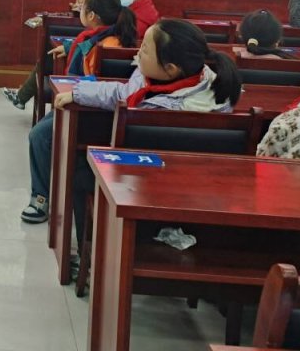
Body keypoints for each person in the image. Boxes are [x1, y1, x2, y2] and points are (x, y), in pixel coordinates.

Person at [60, 19, 243, 253]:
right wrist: (80, 93)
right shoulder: (208, 83)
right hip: (202, 193)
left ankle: (93, 253)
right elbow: (124, 93)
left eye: (145, 49)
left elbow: (125, 99)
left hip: (148, 192)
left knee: (80, 172)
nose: (138, 53)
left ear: (171, 68)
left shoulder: (165, 109)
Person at [20, 0, 138, 225]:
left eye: (82, 7)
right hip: (92, 106)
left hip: (92, 113)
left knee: (39, 136)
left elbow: (96, 82)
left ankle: (41, 198)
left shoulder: (105, 45)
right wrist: (69, 48)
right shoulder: (103, 36)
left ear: (92, 15)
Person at [3, 0, 106, 110]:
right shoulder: (78, 13)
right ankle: (22, 96)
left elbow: (90, 39)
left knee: (48, 56)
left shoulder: (100, 19)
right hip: (76, 61)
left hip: (84, 72)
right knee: (48, 54)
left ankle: (22, 96)